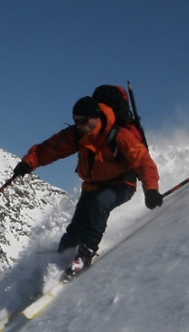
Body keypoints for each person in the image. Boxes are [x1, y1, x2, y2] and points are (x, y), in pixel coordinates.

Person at [13, 94, 163, 276]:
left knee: (101, 204)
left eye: (83, 121)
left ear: (96, 117)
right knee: (75, 229)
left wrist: (151, 190)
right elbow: (48, 149)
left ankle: (85, 253)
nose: (79, 125)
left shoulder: (120, 135)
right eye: (76, 121)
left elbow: (143, 162)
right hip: (92, 186)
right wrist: (29, 163)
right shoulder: (78, 134)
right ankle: (64, 252)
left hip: (122, 183)